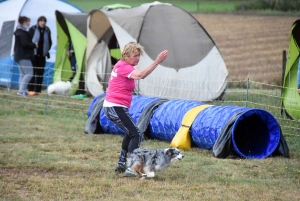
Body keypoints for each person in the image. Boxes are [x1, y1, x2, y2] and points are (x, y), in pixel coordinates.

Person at [103, 42, 168, 175]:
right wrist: (157, 61)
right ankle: (131, 168)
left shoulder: (122, 65)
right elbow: (141, 75)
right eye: (135, 56)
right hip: (115, 107)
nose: (137, 58)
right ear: (126, 56)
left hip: (114, 106)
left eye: (139, 56)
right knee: (136, 134)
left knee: (131, 132)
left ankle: (121, 164)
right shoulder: (124, 67)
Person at [14, 16, 38, 97]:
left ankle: (22, 90)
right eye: (28, 21)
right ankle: (22, 91)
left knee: (23, 74)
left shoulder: (18, 32)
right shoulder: (22, 33)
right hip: (24, 56)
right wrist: (34, 45)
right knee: (29, 73)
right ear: (24, 22)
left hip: (18, 56)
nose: (29, 23)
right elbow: (25, 44)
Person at [28, 16, 52, 95]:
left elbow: (49, 41)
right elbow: (28, 40)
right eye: (41, 21)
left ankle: (38, 89)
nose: (43, 22)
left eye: (44, 21)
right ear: (38, 22)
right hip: (33, 55)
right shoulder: (33, 29)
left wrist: (47, 50)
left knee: (40, 73)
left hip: (42, 55)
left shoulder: (47, 30)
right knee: (32, 72)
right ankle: (30, 89)